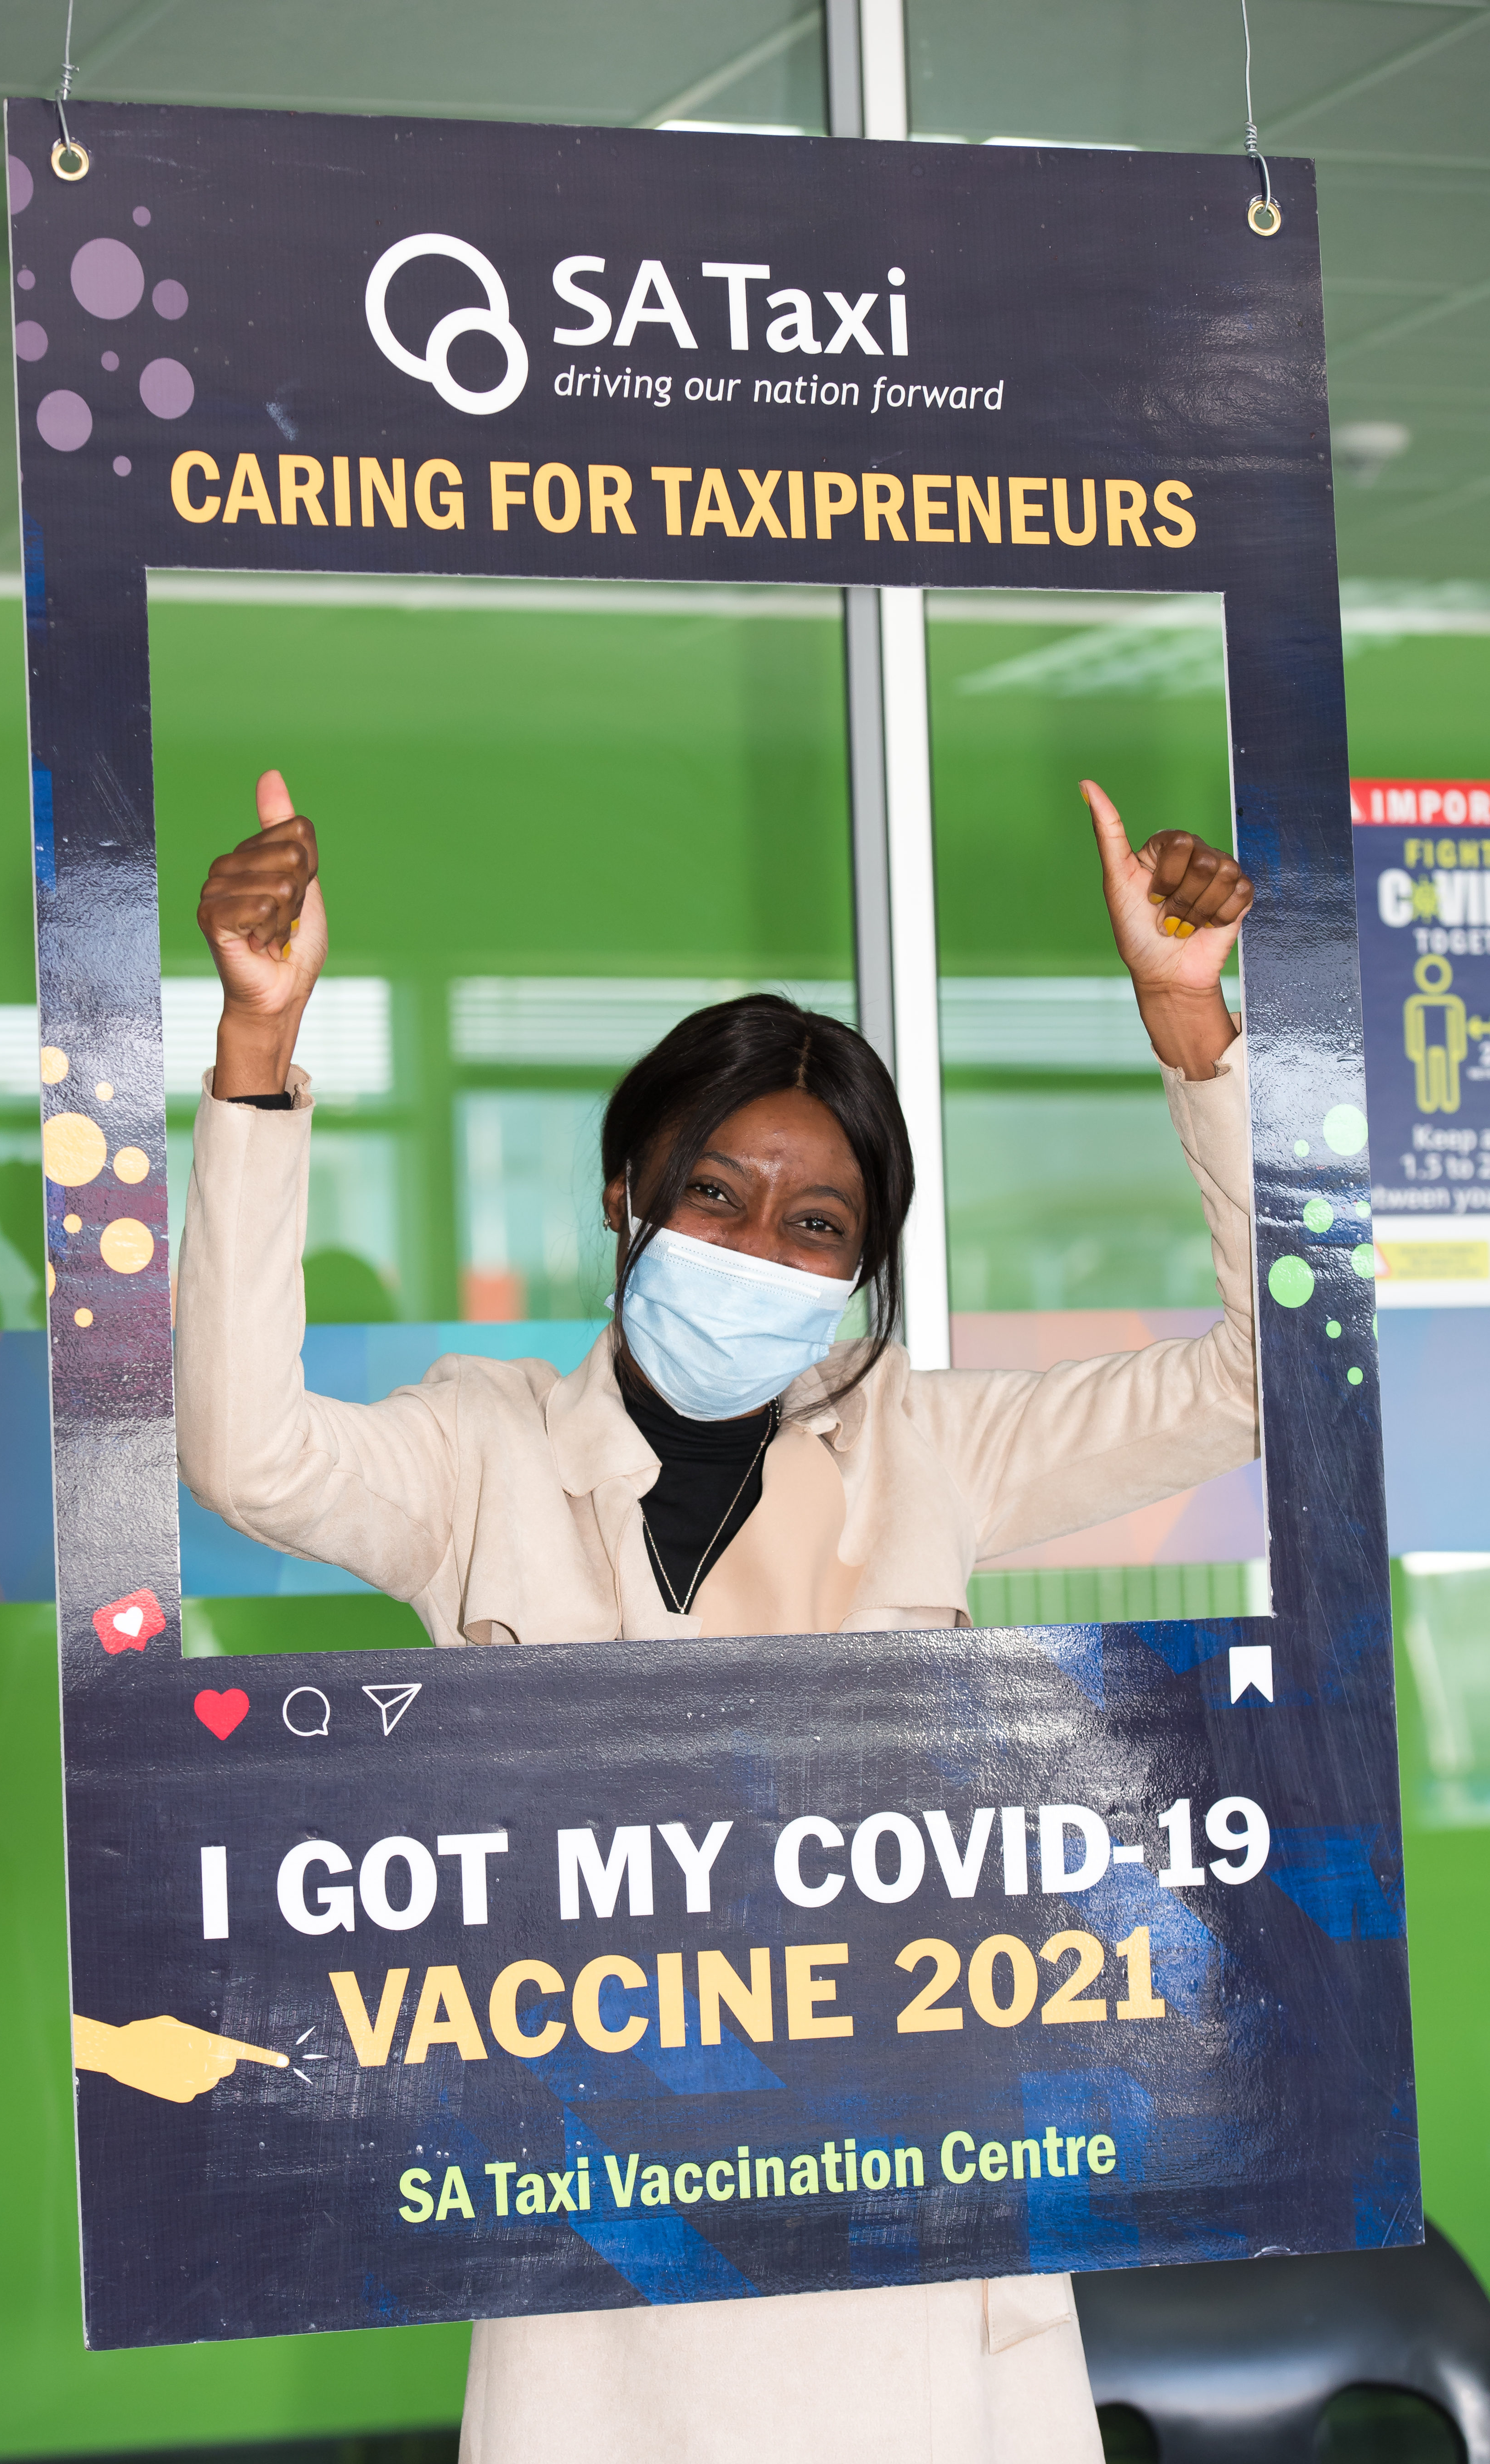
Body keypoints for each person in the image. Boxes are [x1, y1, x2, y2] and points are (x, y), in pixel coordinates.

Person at [175, 767, 1257, 2464]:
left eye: (818, 1225)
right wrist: (257, 1052)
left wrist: (1195, 1034)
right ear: (628, 1195)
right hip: (610, 2288)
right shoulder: (484, 1457)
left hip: (913, 2279)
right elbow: (246, 1451)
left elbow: (1276, 1383)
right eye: (718, 1195)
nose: (761, 1248)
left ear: (860, 1268)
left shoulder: (934, 1448)